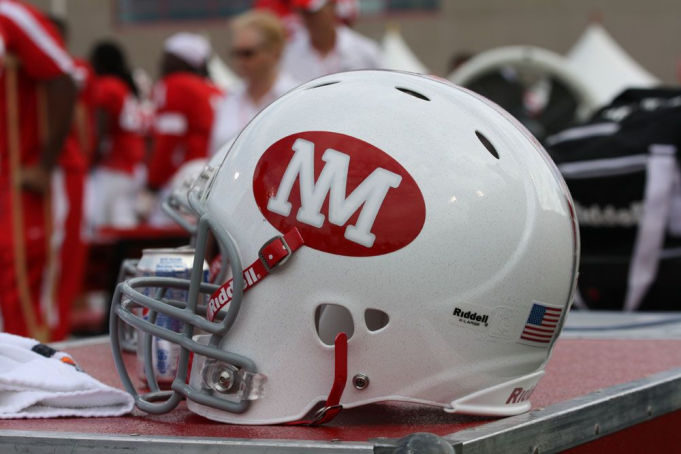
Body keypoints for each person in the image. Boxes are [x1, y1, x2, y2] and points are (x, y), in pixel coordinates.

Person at [0, 0, 77, 340]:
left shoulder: (11, 16)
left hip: (25, 175)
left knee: (29, 287)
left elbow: (64, 77)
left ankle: (44, 376)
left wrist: (43, 164)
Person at [49, 15, 95, 340]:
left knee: (61, 253)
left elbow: (80, 119)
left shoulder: (69, 70)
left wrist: (81, 161)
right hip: (67, 168)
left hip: (62, 169)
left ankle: (56, 329)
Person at [210, 11, 298, 154]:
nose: (240, 61)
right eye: (236, 53)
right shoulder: (229, 97)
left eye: (248, 53)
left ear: (274, 53)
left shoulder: (294, 96)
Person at [147, 33, 224, 194]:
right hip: (215, 171)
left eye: (168, 57)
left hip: (186, 174)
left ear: (180, 60)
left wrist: (153, 182)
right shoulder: (214, 88)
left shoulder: (175, 84)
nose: (161, 62)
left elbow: (169, 138)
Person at [88, 41, 146, 229]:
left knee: (101, 220)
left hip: (115, 163)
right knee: (121, 215)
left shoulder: (108, 85)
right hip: (132, 161)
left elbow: (101, 126)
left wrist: (90, 154)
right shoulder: (124, 85)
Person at [281, 0, 380, 83]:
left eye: (314, 12)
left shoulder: (365, 52)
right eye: (303, 12)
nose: (308, 18)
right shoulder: (288, 54)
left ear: (332, 6)